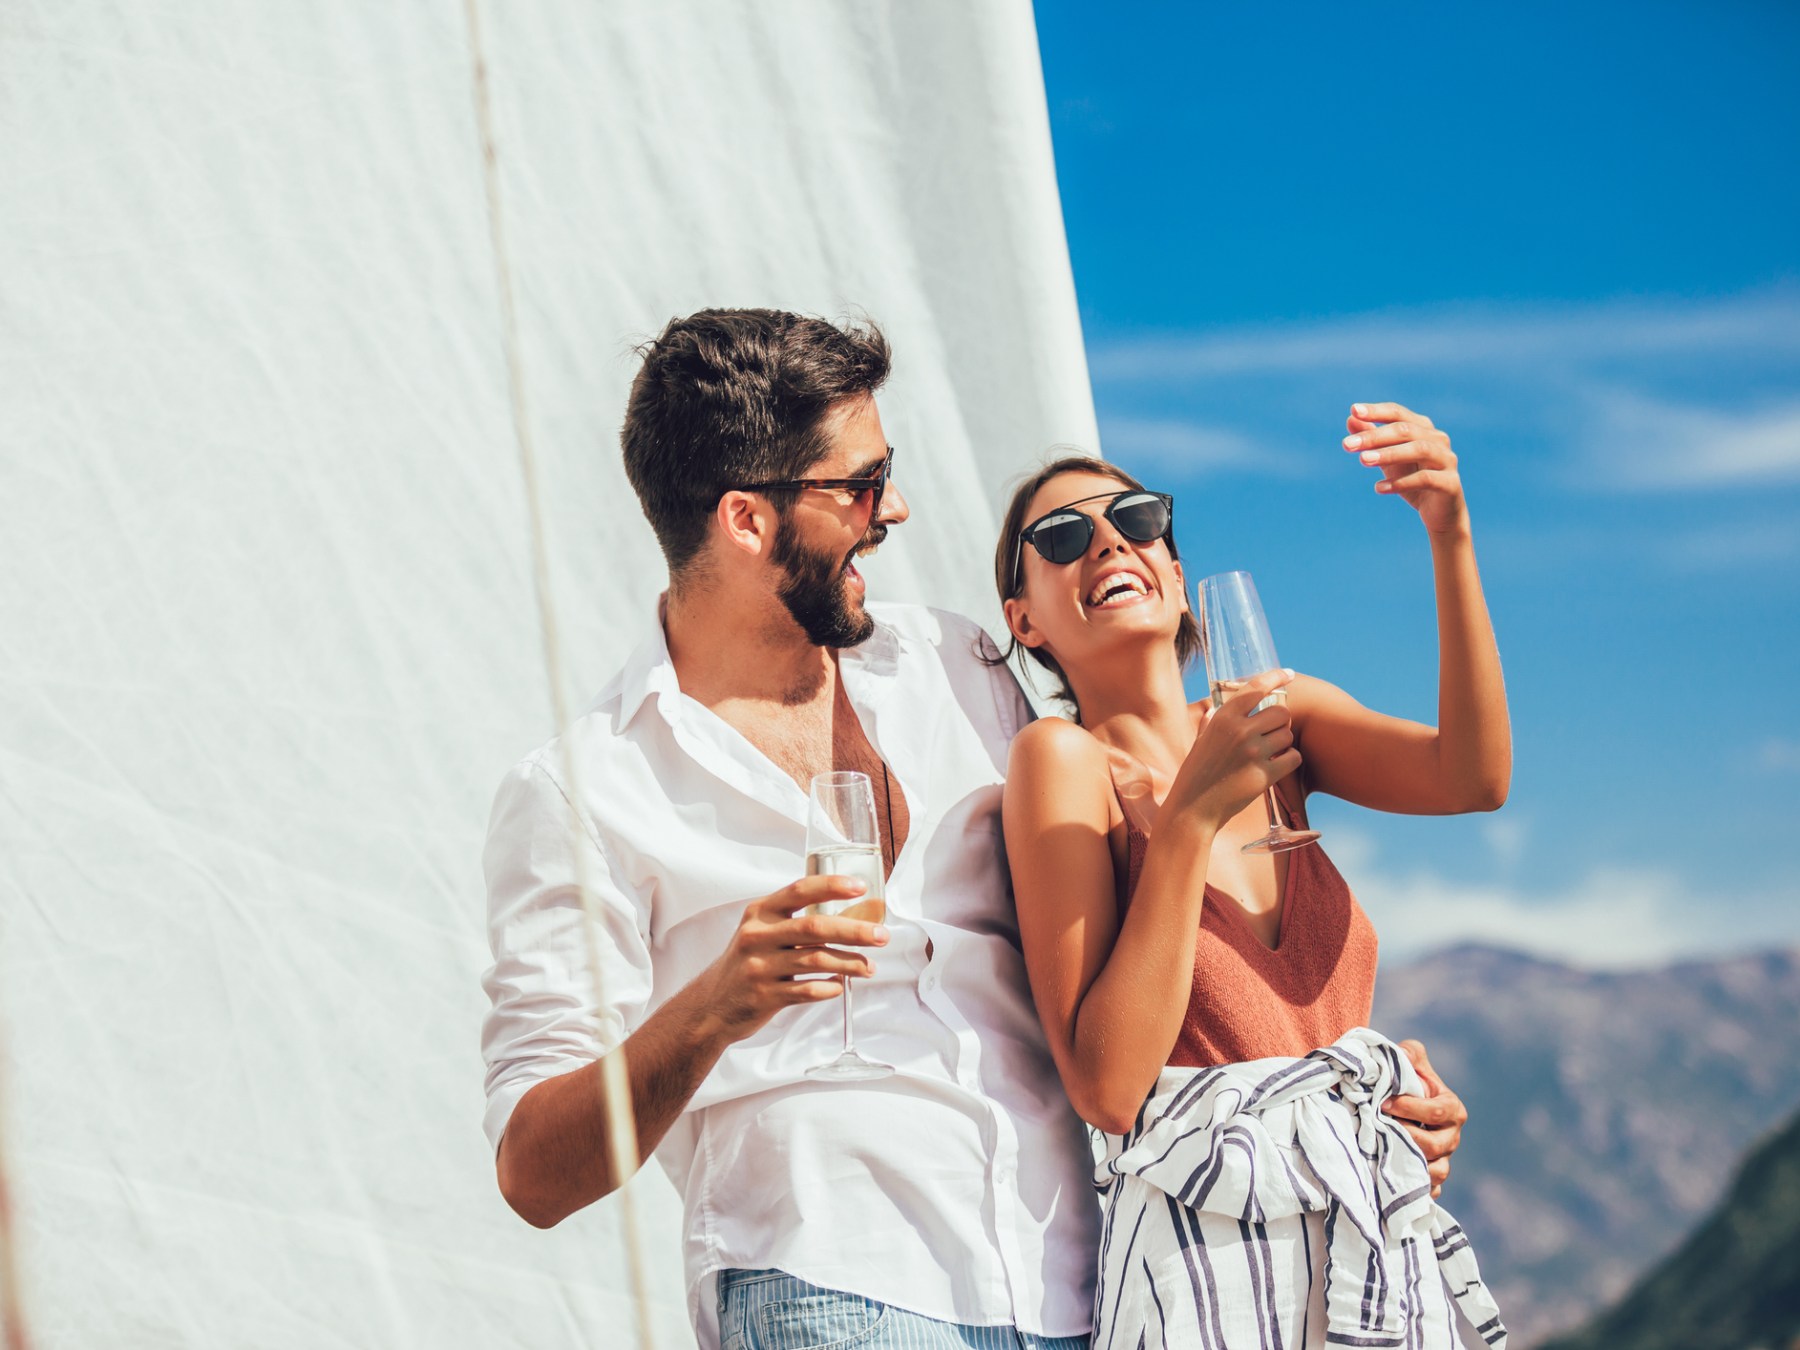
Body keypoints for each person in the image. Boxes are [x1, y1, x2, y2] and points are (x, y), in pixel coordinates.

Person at [480, 309, 1469, 1350]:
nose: (893, 508)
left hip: (1096, 1284)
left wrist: (1339, 1100)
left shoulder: (963, 669)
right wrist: (721, 1001)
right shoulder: (583, 793)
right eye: (859, 486)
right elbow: (534, 1172)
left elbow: (1152, 891)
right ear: (745, 521)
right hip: (833, 1282)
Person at [992, 414, 1510, 1348]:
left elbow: (1473, 778)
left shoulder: (1277, 718)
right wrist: (1188, 817)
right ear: (1023, 619)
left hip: (1364, 1238)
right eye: (1062, 538)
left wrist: (1449, 529)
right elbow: (1109, 1087)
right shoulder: (1060, 762)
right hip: (1207, 1263)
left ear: (1175, 571)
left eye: (1139, 519)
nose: (1110, 540)